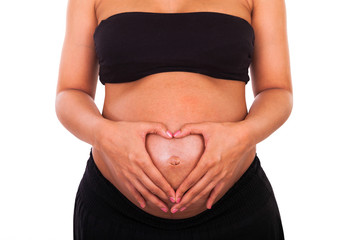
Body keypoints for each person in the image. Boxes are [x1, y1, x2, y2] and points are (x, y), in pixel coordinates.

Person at [55, 0, 292, 238]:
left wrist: (243, 136)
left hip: (235, 208)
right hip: (114, 209)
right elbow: (71, 92)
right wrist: (104, 135)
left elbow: (277, 90)